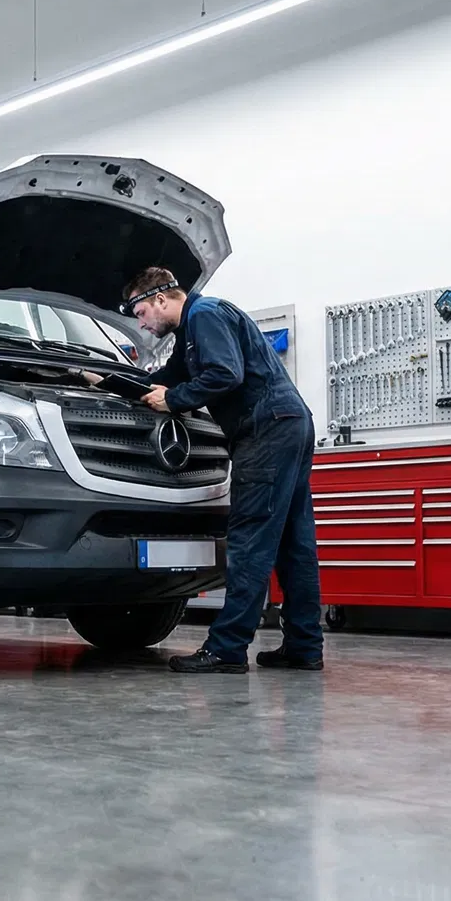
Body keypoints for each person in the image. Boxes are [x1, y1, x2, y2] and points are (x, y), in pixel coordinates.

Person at [106, 267, 323, 674]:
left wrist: (176, 400)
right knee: (294, 546)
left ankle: (227, 648)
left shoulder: (205, 314)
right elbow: (163, 380)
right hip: (290, 423)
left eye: (140, 313)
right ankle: (305, 645)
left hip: (266, 430)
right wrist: (106, 381)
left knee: (250, 541)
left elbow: (225, 374)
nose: (141, 323)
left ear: (161, 299)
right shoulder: (192, 334)